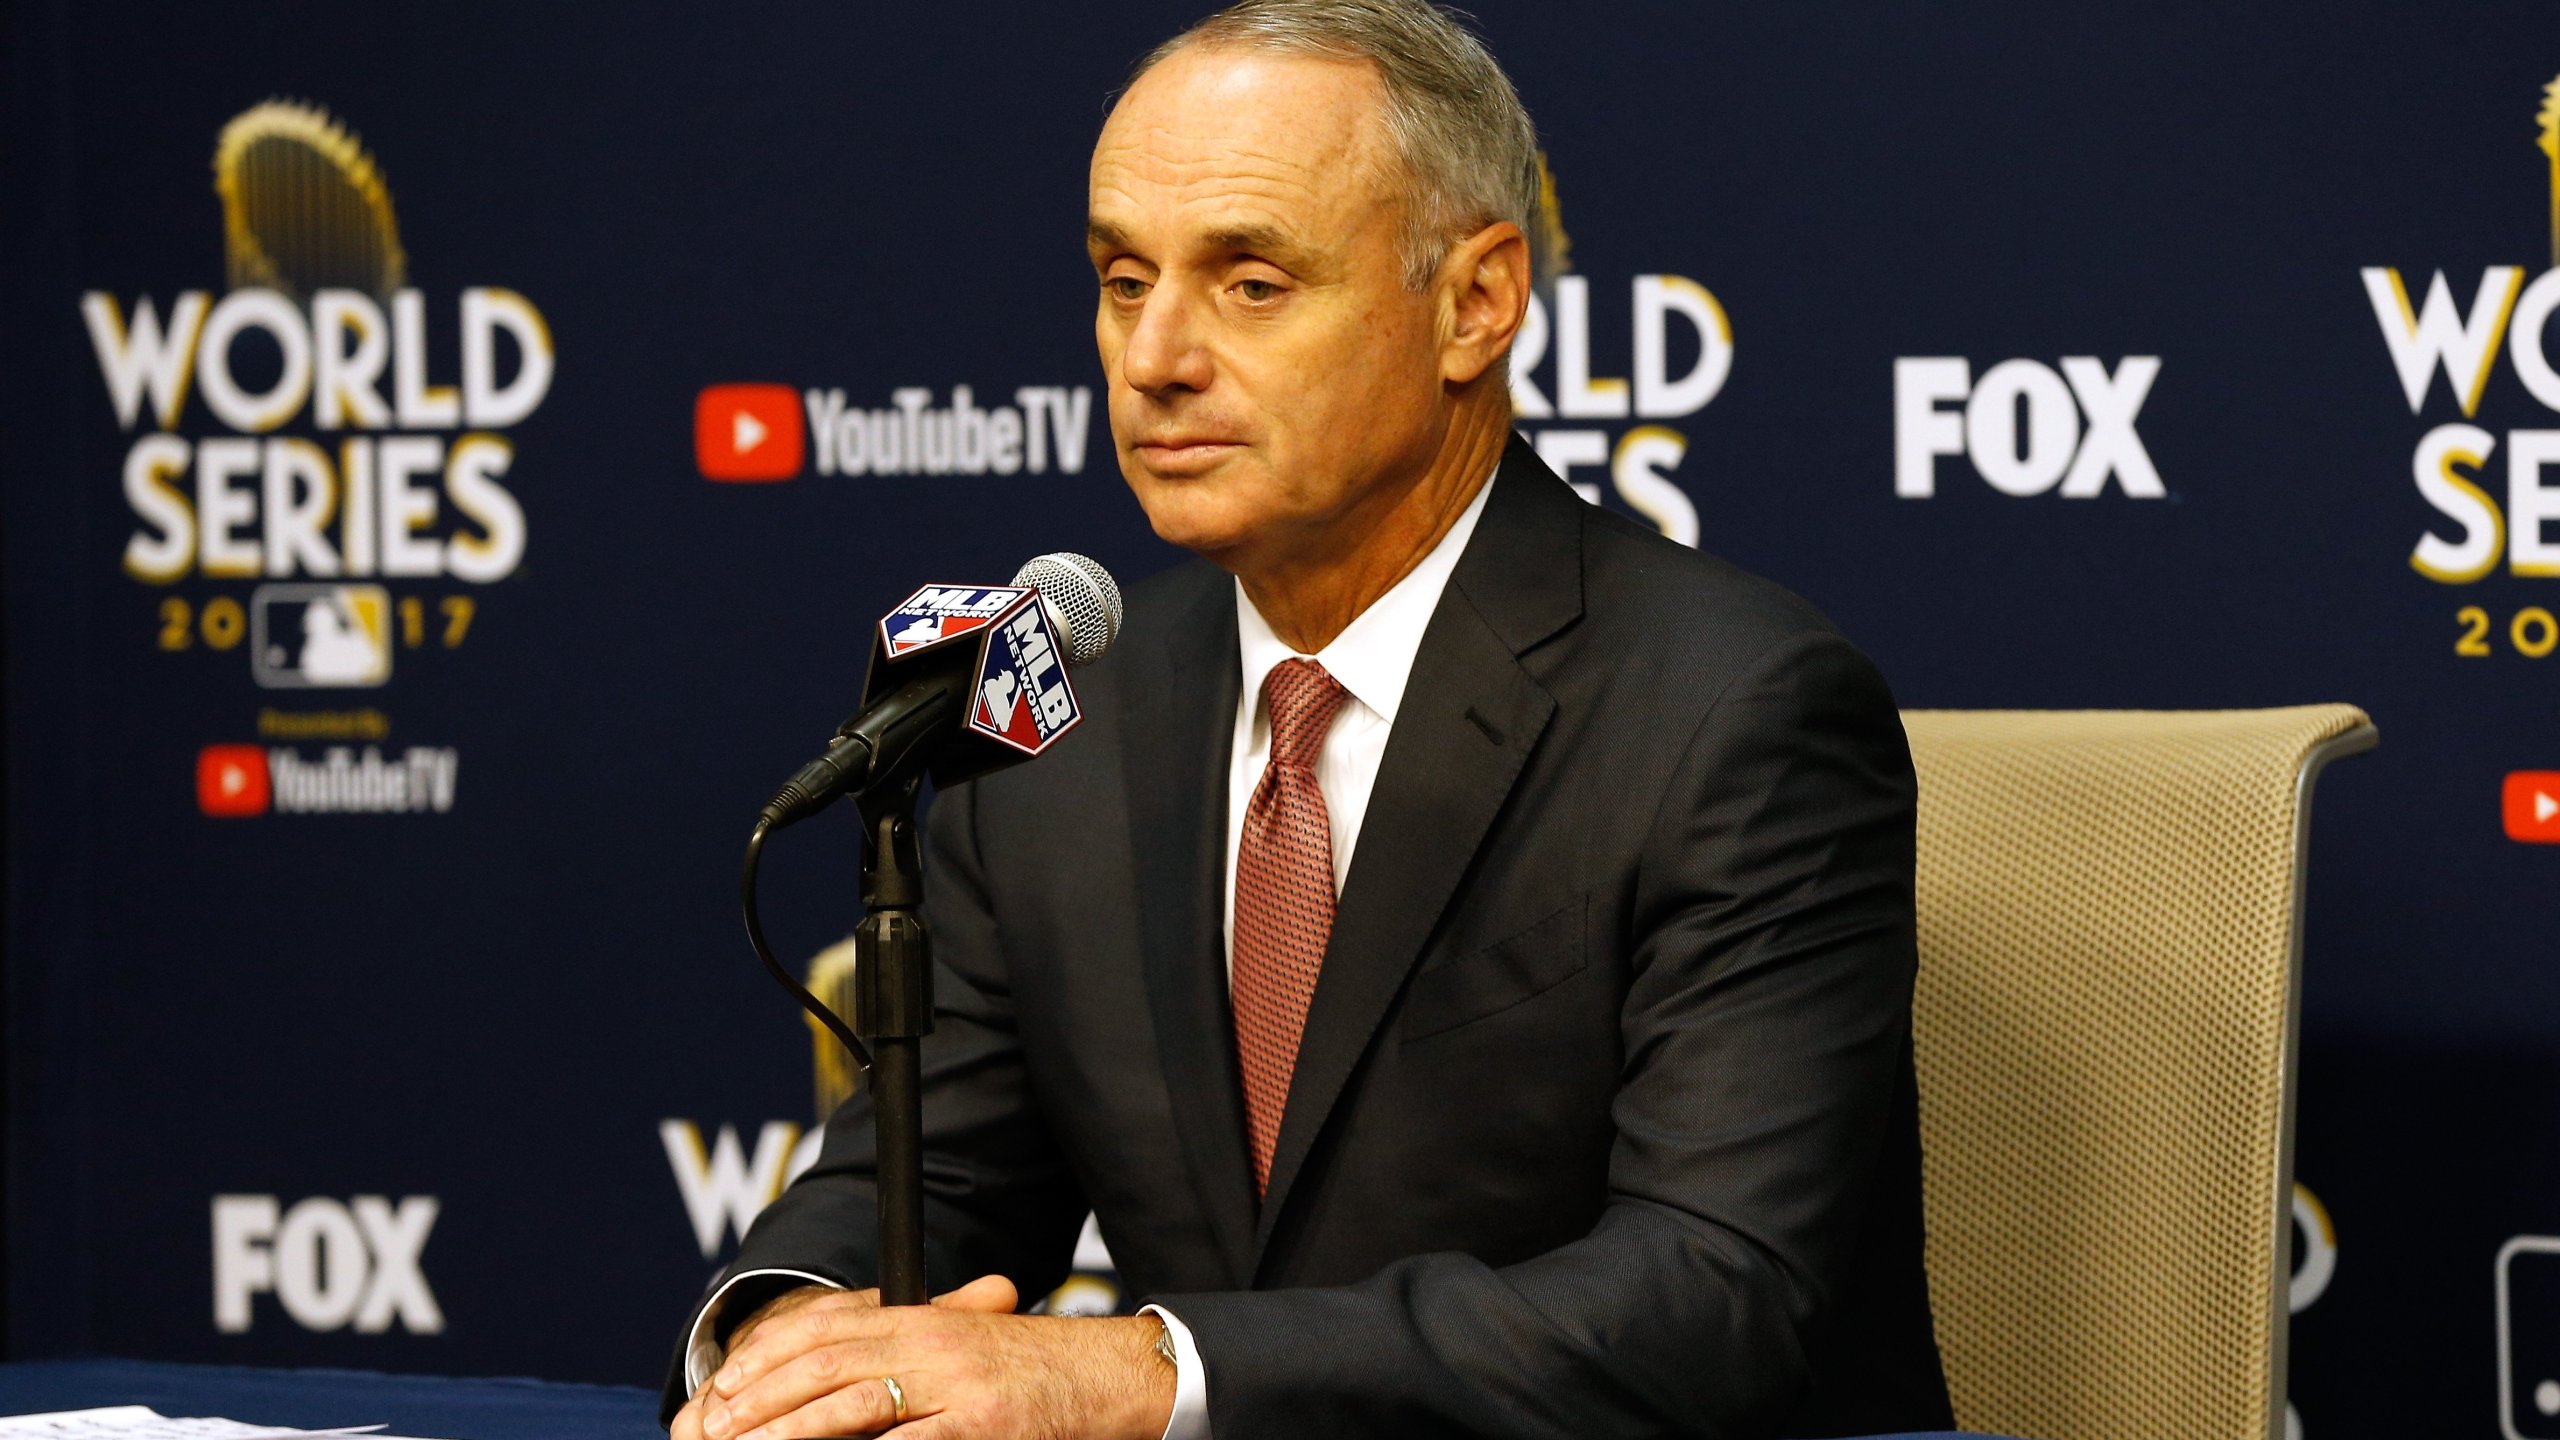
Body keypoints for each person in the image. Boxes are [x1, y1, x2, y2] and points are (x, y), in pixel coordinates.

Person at [665, 2, 1951, 1436]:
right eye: (1121, 278)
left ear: (1476, 303)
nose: (1153, 357)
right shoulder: (1057, 710)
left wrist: (1144, 1373)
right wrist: (787, 1335)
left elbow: (1714, 1294)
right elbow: (938, 1185)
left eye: (1252, 283)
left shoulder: (1732, 712)